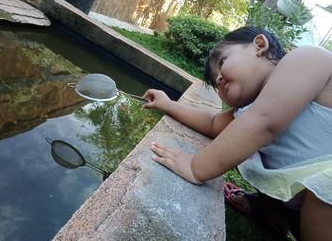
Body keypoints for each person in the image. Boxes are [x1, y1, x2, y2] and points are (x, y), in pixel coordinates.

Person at [142, 26, 332, 241]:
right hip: (303, 199)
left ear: (259, 46)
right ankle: (274, 217)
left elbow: (264, 121)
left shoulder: (306, 58)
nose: (220, 79)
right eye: (216, 82)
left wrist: (196, 167)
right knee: (257, 158)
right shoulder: (250, 110)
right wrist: (169, 105)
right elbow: (213, 123)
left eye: (222, 62)